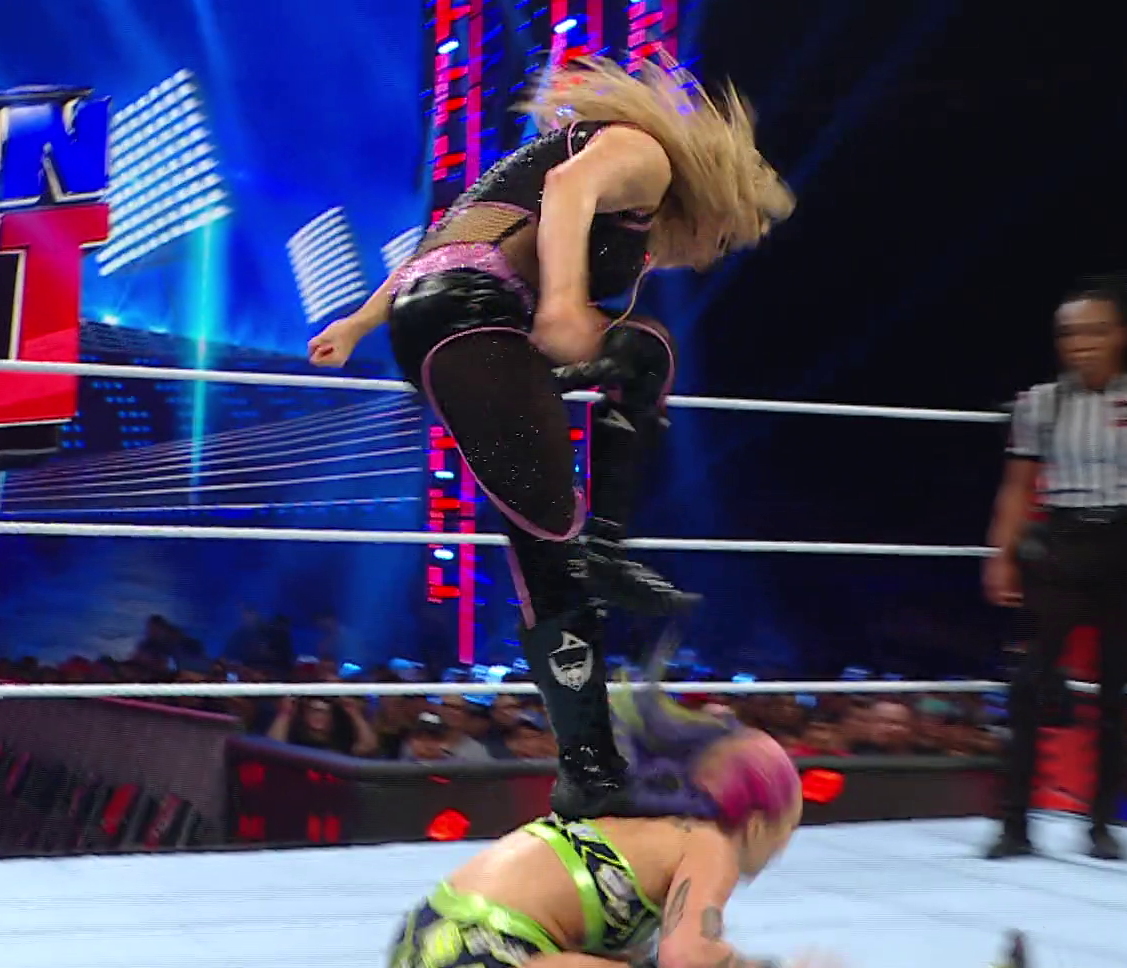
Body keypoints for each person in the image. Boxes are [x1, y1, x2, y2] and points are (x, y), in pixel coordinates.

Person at [307, 55, 795, 820]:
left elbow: (446, 238)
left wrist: (360, 322)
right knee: (548, 546)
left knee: (640, 356)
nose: (707, 250)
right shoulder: (642, 155)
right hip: (471, 320)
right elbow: (567, 193)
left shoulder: (552, 173)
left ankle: (603, 558)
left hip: (454, 318)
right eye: (723, 235)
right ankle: (592, 769)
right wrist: (563, 302)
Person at [384, 706, 1028, 968]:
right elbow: (686, 959)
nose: (782, 849)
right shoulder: (709, 839)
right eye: (788, 829)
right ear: (759, 822)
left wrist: (754, 967)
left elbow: (630, 958)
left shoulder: (643, 826)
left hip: (420, 954)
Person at [983, 274, 1127, 861]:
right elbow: (1017, 487)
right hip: (1062, 539)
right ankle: (1014, 825)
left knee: (1116, 689)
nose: (1081, 343)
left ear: (1123, 334)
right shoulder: (1041, 402)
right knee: (1030, 682)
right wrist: (1001, 554)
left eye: (1094, 331)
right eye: (1070, 334)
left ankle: (1101, 825)